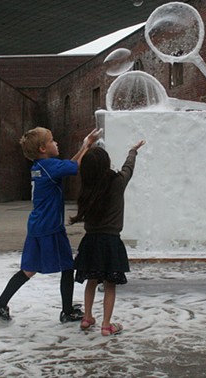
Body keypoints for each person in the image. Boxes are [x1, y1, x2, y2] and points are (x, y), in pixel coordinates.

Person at [0, 126, 103, 323]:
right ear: (43, 149)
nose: (56, 143)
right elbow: (76, 167)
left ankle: (0, 304)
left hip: (36, 226)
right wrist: (88, 145)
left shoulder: (40, 167)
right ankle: (67, 312)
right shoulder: (50, 166)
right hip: (51, 228)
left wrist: (85, 145)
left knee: (29, 269)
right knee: (67, 266)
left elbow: (69, 164)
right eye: (52, 141)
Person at [70, 140, 146, 336]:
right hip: (111, 241)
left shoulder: (87, 186)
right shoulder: (117, 182)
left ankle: (87, 318)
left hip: (91, 241)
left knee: (92, 280)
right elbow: (128, 168)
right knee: (110, 285)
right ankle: (106, 324)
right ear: (106, 164)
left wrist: (85, 148)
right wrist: (132, 151)